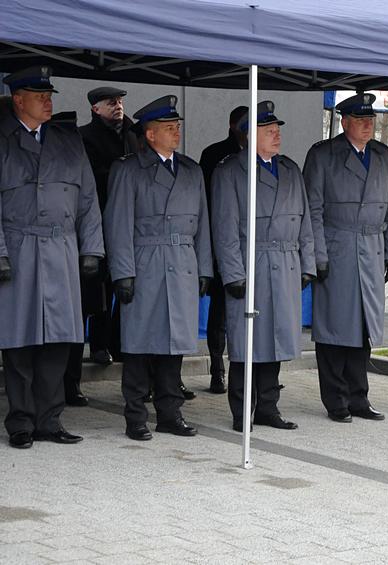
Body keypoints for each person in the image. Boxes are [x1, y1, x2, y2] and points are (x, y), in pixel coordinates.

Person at [0, 66, 104, 448]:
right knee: (19, 341)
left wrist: (91, 249)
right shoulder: (3, 140)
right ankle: (21, 422)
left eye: (50, 95)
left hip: (61, 249)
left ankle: (50, 420)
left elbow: (89, 199)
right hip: (19, 248)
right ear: (18, 99)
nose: (48, 101)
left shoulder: (68, 141)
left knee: (59, 341)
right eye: (39, 95)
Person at [104, 95, 213, 441]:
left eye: (177, 126)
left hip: (181, 262)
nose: (176, 132)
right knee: (138, 346)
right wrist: (122, 272)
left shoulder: (191, 170)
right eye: (169, 128)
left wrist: (204, 268)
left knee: (174, 347)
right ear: (150, 135)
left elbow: (203, 225)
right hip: (145, 263)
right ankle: (135, 414)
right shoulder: (128, 169)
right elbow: (117, 224)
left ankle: (170, 412)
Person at [211, 101, 315, 431]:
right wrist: (232, 273)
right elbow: (224, 228)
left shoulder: (290, 169)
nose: (276, 134)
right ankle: (243, 411)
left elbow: (305, 222)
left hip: (284, 263)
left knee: (276, 340)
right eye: (268, 130)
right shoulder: (230, 171)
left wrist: (307, 264)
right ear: (248, 135)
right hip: (250, 264)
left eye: (277, 129)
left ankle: (269, 406)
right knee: (246, 343)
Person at [303, 93, 388, 423]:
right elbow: (312, 209)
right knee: (333, 329)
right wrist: (317, 254)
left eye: (370, 120)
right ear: (344, 123)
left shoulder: (384, 156)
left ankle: (359, 397)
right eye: (360, 120)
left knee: (363, 330)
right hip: (338, 249)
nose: (367, 125)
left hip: (372, 251)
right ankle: (336, 400)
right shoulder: (324, 155)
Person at [59, 86, 139, 408]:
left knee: (124, 289)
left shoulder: (134, 133)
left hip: (128, 226)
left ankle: (111, 346)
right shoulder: (84, 137)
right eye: (111, 102)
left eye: (120, 101)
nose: (117, 106)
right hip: (95, 224)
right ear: (95, 108)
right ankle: (72, 379)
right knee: (87, 298)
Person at [200, 105, 248, 395]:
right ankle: (217, 369)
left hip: (251, 246)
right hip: (224, 243)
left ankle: (250, 372)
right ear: (233, 125)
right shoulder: (215, 154)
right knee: (219, 312)